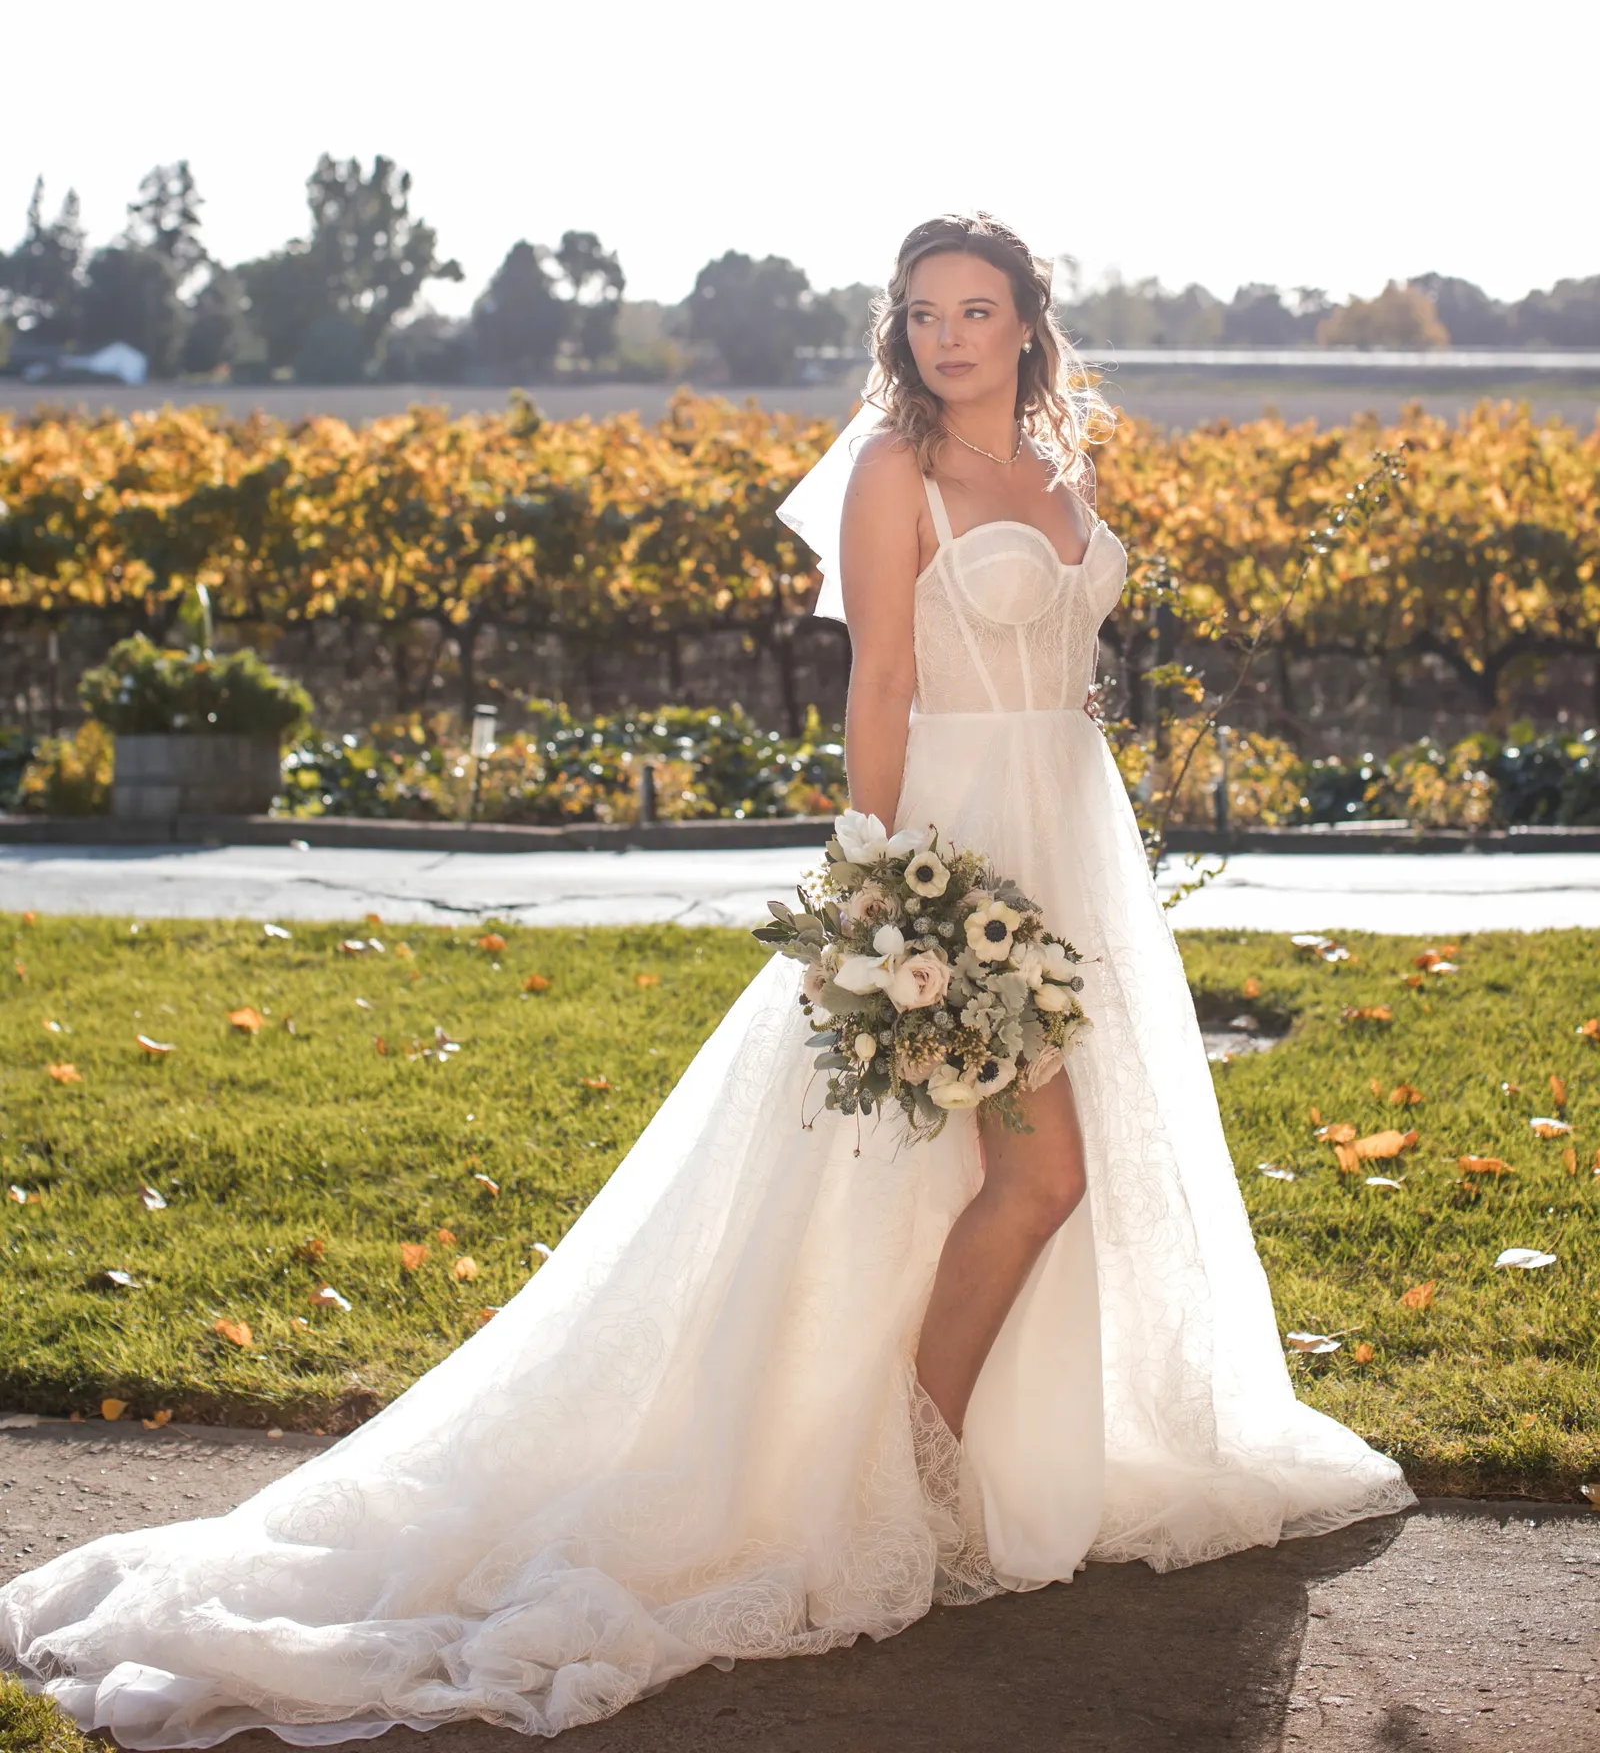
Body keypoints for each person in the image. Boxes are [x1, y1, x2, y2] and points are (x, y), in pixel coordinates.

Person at [0, 211, 1412, 1743]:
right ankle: (916, 1486)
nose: (946, 334)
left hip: (1075, 834)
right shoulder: (895, 470)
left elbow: (1070, 670)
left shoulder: (1072, 463)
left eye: (976, 308)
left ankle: (960, 1464)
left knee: (984, 1183)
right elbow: (879, 675)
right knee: (1036, 1177)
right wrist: (882, 881)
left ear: (1025, 323)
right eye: (923, 309)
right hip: (958, 846)